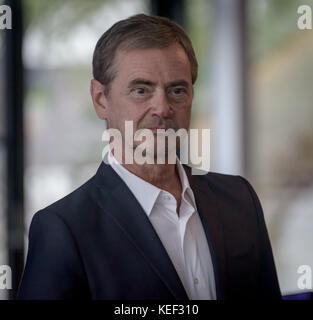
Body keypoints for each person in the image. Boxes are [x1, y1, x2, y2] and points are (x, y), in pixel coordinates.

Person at [17, 14, 281, 300]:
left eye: (177, 90)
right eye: (141, 90)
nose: (162, 108)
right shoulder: (64, 229)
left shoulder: (240, 200)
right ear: (100, 99)